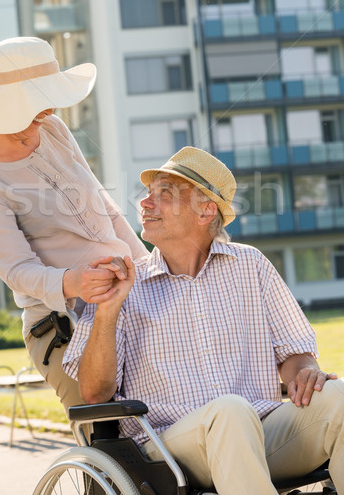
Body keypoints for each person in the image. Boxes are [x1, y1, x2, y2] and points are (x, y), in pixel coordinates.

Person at [63, 146, 344, 495]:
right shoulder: (124, 286)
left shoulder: (250, 265)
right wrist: (107, 310)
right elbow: (94, 393)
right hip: (168, 450)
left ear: (205, 210)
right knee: (229, 411)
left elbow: (295, 354)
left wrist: (304, 372)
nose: (145, 204)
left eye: (164, 194)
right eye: (148, 195)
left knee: (339, 394)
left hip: (260, 430)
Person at [0, 36, 147, 415]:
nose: (51, 109)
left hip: (129, 296)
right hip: (62, 323)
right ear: (3, 105)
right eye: (39, 101)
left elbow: (106, 209)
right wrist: (75, 281)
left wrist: (150, 269)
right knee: (107, 428)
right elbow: (17, 270)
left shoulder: (52, 129)